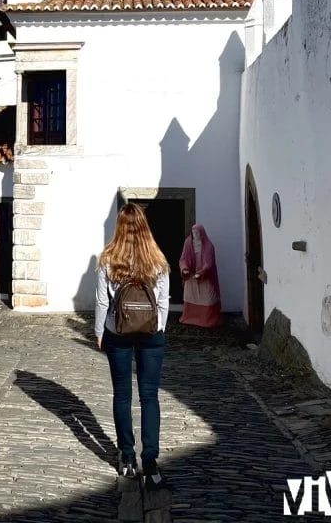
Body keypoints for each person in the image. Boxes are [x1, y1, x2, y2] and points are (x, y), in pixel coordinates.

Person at [94, 203, 170, 490]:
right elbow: (163, 301)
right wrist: (157, 327)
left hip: (118, 332)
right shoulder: (158, 260)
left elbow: (103, 302)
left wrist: (100, 331)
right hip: (151, 335)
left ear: (119, 228)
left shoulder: (108, 260)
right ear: (144, 227)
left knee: (122, 395)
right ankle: (150, 463)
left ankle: (127, 458)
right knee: (150, 397)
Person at [178, 223, 222, 328]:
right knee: (190, 295)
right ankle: (189, 317)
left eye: (197, 233)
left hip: (204, 276)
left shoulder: (208, 245)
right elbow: (183, 258)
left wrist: (201, 272)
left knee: (208, 297)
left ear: (202, 233)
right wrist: (184, 269)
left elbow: (209, 263)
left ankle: (208, 319)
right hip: (191, 274)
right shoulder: (188, 243)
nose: (195, 234)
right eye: (193, 233)